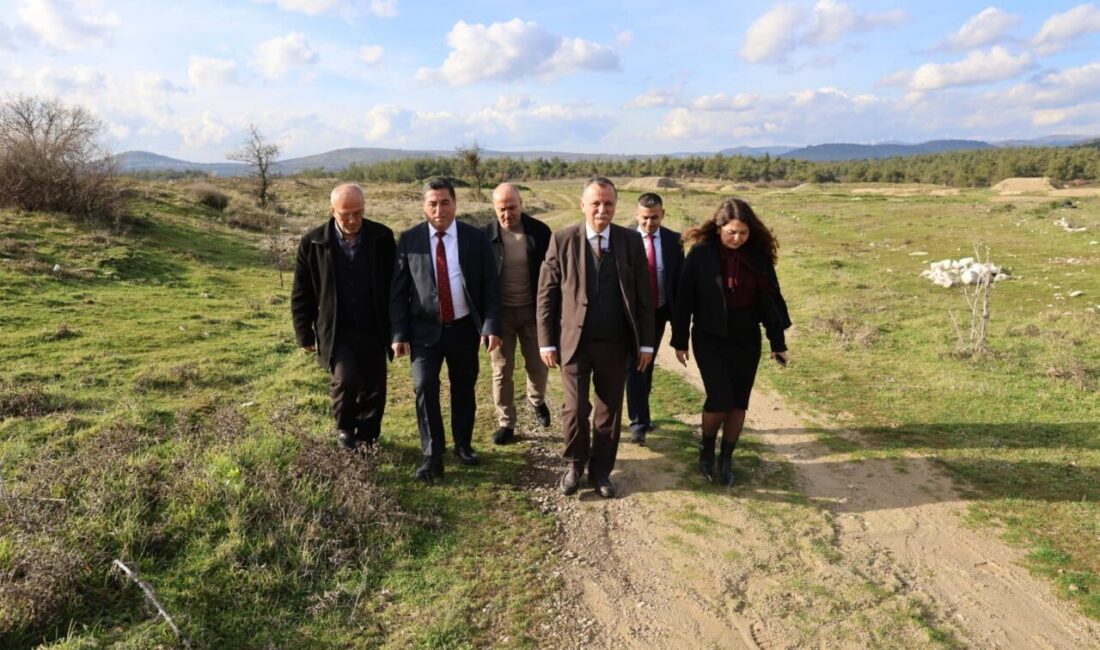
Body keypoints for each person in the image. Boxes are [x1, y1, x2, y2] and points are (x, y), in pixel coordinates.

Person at [537, 177, 654, 498]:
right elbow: (546, 295)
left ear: (616, 206)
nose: (603, 210)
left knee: (609, 410)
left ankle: (601, 471)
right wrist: (546, 341)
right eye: (596, 203)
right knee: (574, 409)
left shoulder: (630, 241)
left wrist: (645, 343)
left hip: (615, 343)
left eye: (609, 204)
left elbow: (644, 296)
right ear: (583, 206)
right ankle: (575, 464)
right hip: (574, 343)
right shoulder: (561, 240)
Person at [670, 197, 791, 486]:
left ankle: (727, 458)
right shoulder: (700, 254)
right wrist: (679, 340)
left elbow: (771, 301)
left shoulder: (757, 257)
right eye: (731, 232)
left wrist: (777, 342)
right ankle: (706, 449)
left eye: (743, 233)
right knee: (719, 397)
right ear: (719, 227)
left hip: (746, 337)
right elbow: (684, 298)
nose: (737, 238)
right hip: (710, 336)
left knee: (738, 402)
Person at [390, 177, 502, 483]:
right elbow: (398, 292)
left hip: (464, 329)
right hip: (423, 331)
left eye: (445, 202)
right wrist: (399, 333)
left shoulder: (474, 238)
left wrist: (491, 325)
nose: (439, 209)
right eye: (432, 203)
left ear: (455, 203)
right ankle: (432, 455)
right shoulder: (410, 239)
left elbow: (491, 285)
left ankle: (463, 445)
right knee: (424, 386)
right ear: (424, 205)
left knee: (463, 388)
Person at [291, 182, 395, 450]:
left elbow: (396, 287)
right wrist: (304, 332)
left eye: (358, 213)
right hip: (336, 330)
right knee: (345, 380)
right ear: (332, 211)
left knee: (374, 386)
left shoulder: (383, 238)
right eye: (345, 214)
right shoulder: (313, 242)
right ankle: (346, 431)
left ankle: (368, 438)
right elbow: (302, 293)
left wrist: (398, 330)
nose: (352, 220)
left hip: (374, 327)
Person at [484, 182, 553, 444]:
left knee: (537, 366)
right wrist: (486, 323)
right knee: (501, 369)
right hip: (500, 317)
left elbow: (553, 275)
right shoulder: (485, 237)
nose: (507, 214)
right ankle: (506, 422)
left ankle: (537, 401)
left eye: (512, 208)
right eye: (501, 209)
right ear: (494, 208)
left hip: (534, 313)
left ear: (521, 205)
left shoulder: (539, 232)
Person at [625, 192, 684, 444]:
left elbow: (679, 279)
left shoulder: (674, 241)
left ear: (663, 215)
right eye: (645, 218)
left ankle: (643, 415)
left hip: (659, 312)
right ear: (637, 215)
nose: (650, 223)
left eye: (655, 218)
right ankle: (638, 422)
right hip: (631, 314)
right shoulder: (624, 238)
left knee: (646, 361)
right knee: (635, 363)